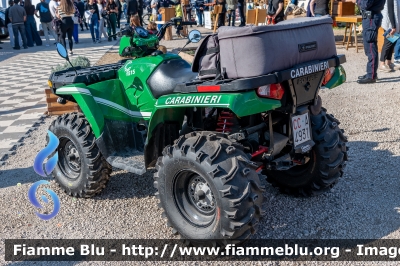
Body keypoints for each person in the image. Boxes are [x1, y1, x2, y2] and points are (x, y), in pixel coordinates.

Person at [353, 0, 385, 84]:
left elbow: (365, 4)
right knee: (369, 47)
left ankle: (371, 75)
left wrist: (357, 1)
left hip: (371, 18)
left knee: (371, 46)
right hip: (370, 17)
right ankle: (371, 73)